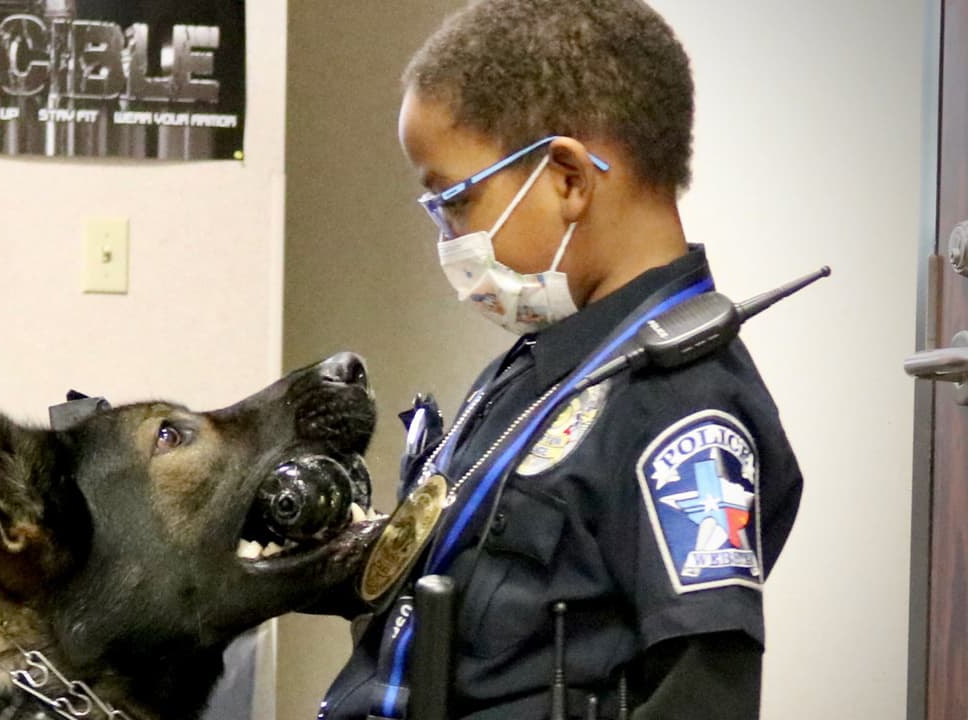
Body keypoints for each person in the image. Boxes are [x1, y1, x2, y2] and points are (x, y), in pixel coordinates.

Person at [316, 1, 804, 718]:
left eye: (455, 200)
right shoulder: (542, 368)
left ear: (569, 178)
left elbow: (703, 694)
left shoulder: (682, 407)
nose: (448, 237)